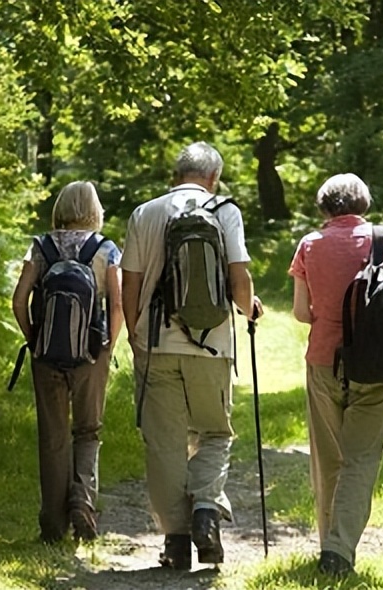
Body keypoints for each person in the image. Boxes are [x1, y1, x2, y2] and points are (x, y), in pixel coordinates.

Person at [120, 141, 263, 570]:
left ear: (174, 175)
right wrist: (249, 306)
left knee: (164, 444)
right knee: (215, 433)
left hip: (156, 344)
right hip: (213, 345)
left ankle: (176, 543)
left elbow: (130, 283)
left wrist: (135, 333)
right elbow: (239, 281)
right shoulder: (226, 211)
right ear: (213, 177)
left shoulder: (145, 213)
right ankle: (205, 509)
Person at [288, 173, 383, 577]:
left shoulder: (309, 245)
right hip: (375, 363)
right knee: (361, 457)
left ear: (324, 206)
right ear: (363, 202)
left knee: (328, 458)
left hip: (323, 360)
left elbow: (303, 313)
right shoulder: (381, 239)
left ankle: (329, 544)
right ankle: (339, 550)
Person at [11, 180, 124, 543]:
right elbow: (118, 305)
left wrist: (34, 339)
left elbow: (19, 300)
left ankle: (53, 523)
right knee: (88, 430)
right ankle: (82, 500)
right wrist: (107, 347)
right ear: (94, 211)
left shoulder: (41, 246)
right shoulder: (105, 249)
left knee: (53, 437)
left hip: (47, 355)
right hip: (91, 353)